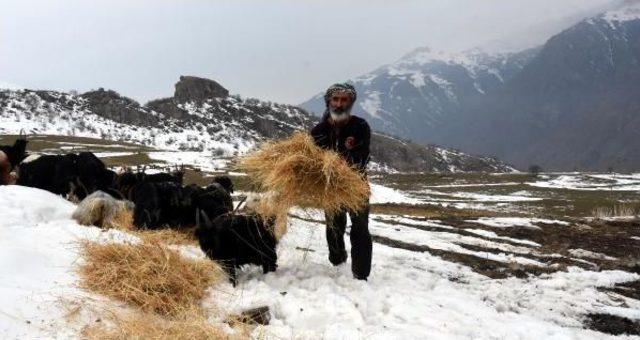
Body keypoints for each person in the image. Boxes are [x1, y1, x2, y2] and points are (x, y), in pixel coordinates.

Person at [310, 83, 372, 280]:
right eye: (335, 99)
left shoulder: (360, 126)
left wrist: (340, 164)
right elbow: (312, 160)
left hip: (356, 185)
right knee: (334, 226)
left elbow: (362, 157)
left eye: (344, 100)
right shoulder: (319, 131)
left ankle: (360, 274)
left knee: (360, 227)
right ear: (328, 102)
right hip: (331, 188)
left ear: (351, 103)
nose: (339, 104)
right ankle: (337, 261)